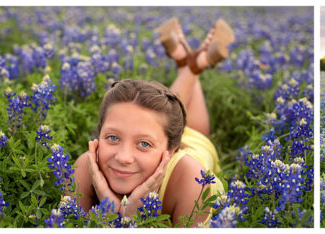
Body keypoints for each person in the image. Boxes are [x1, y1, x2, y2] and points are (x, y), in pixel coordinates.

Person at [71, 17, 234, 227]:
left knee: (192, 131)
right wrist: (118, 213)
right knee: (157, 116)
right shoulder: (85, 167)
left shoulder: (193, 179)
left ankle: (191, 64)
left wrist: (125, 219)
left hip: (194, 148)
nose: (123, 157)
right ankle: (192, 65)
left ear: (172, 150)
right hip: (163, 133)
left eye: (143, 144)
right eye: (112, 137)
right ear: (98, 135)